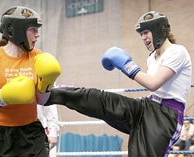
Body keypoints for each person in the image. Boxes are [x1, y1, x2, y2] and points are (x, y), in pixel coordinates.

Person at [44, 11, 192, 157]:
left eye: (146, 32)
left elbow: (153, 83)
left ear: (160, 29)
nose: (143, 37)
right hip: (147, 106)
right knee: (101, 100)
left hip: (165, 117)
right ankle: (52, 93)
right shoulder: (152, 58)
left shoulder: (177, 51)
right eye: (141, 34)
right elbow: (155, 91)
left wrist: (127, 66)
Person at [0, 6, 61, 157]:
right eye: (33, 30)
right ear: (16, 30)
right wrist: (2, 97)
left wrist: (46, 84)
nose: (38, 34)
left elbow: (41, 100)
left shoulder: (38, 57)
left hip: (31, 132)